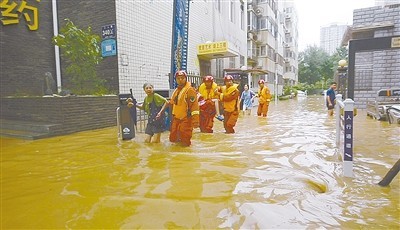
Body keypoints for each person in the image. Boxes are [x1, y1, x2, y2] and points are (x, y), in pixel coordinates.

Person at [158, 70, 199, 146]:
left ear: (185, 79)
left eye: (182, 78)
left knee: (185, 137)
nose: (180, 80)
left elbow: (194, 106)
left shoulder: (190, 90)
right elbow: (172, 103)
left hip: (186, 118)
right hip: (176, 118)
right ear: (176, 80)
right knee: (173, 138)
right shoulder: (176, 90)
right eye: (178, 78)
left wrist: (195, 121)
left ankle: (186, 154)